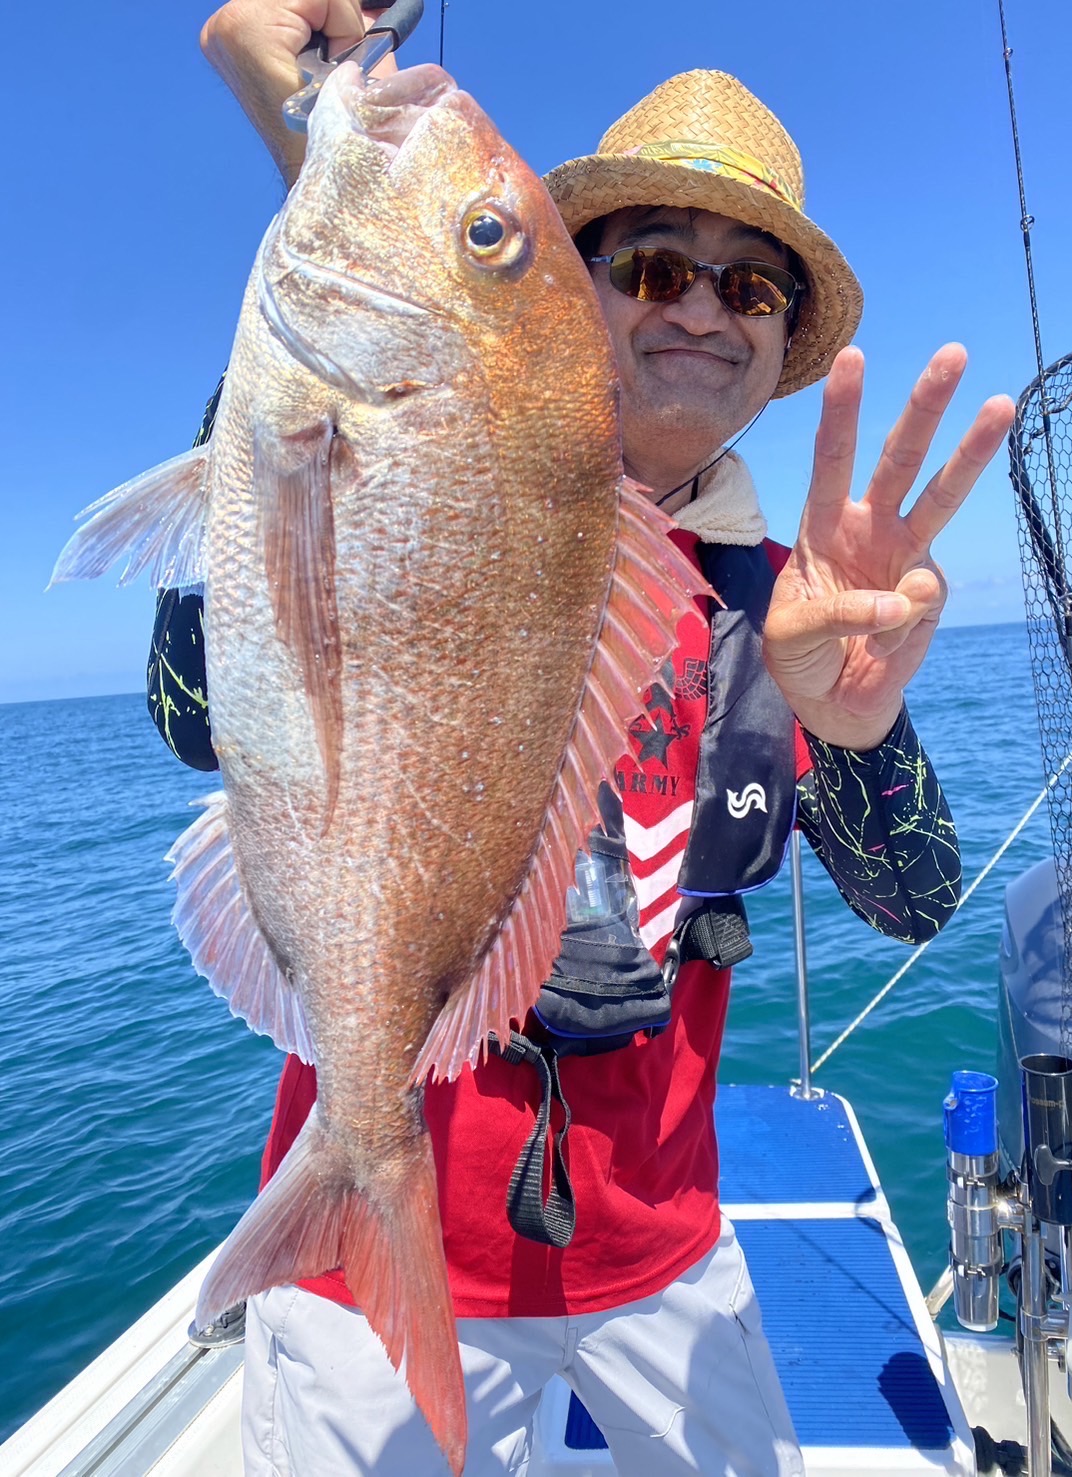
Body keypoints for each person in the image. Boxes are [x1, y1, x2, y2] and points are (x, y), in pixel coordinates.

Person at [149, 7, 1015, 1474]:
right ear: (579, 297)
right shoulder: (412, 473)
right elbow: (190, 712)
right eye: (656, 267)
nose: (703, 311)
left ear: (779, 347)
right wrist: (316, 178)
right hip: (373, 1264)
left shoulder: (794, 602)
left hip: (665, 1251)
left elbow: (920, 899)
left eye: (750, 286)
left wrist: (857, 730)